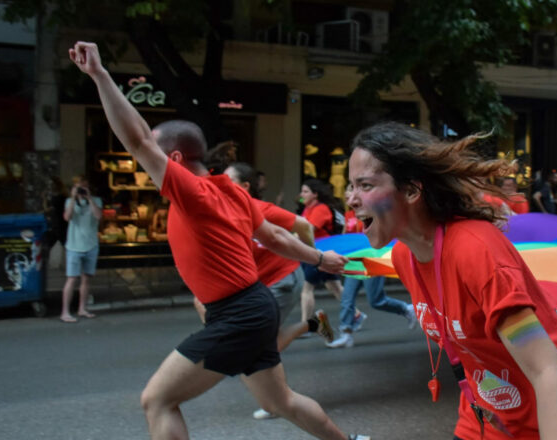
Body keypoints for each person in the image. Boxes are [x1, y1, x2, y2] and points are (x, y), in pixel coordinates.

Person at [68, 41, 369, 440]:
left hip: (238, 314)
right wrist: (319, 257)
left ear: (173, 161)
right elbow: (276, 235)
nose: (147, 167)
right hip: (254, 306)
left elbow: (138, 140)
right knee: (281, 402)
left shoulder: (191, 192)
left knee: (156, 400)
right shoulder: (231, 191)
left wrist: (100, 75)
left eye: (156, 159)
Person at [345, 121, 557, 439]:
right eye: (350, 186)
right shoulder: (406, 257)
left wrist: (534, 324)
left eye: (365, 186)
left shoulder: (475, 251)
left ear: (411, 190)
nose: (350, 199)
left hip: (555, 422)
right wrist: (539, 317)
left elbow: (547, 370)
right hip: (484, 420)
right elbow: (477, 312)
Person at [195, 161, 335, 421]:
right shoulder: (222, 213)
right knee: (256, 345)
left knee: (258, 346)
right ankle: (313, 324)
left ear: (245, 186)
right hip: (259, 285)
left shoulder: (259, 208)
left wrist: (313, 257)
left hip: (282, 279)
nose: (221, 185)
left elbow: (303, 225)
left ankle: (276, 402)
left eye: (229, 180)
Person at [327, 187, 417, 349]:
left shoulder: (372, 212)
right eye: (348, 192)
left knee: (376, 300)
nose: (349, 196)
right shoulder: (348, 215)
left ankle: (405, 309)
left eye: (353, 192)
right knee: (347, 297)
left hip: (372, 259)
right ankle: (346, 333)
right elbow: (345, 237)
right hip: (354, 261)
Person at [298, 178, 363, 327]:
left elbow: (310, 229)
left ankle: (305, 325)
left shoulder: (321, 209)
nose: (302, 194)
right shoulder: (307, 209)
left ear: (315, 194)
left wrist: (291, 237)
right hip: (315, 252)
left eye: (305, 191)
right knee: (334, 286)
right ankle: (356, 314)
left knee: (307, 288)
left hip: (320, 253)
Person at [60, 175, 102, 323]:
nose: (83, 190)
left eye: (85, 187)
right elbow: (67, 217)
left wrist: (89, 199)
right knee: (71, 279)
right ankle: (65, 312)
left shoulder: (96, 201)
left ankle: (82, 308)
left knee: (86, 279)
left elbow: (98, 215)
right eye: (80, 188)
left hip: (91, 245)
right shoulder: (68, 202)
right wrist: (73, 198)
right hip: (74, 246)